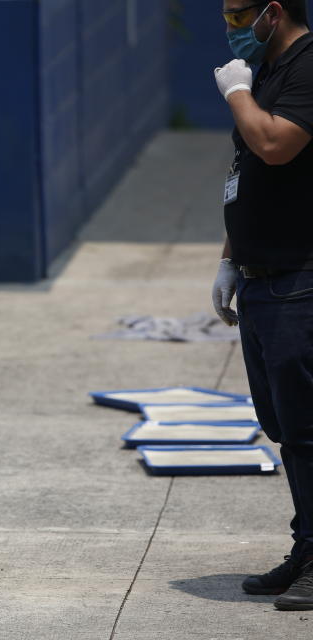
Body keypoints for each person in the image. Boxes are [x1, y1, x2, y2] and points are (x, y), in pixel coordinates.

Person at [213, 0, 313, 610]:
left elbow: (275, 144)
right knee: (287, 428)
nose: (228, 26)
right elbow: (248, 169)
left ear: (272, 11)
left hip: (299, 279)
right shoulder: (269, 71)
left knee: (308, 430)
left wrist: (237, 96)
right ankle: (307, 546)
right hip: (260, 276)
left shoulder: (306, 68)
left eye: (235, 14)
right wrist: (229, 256)